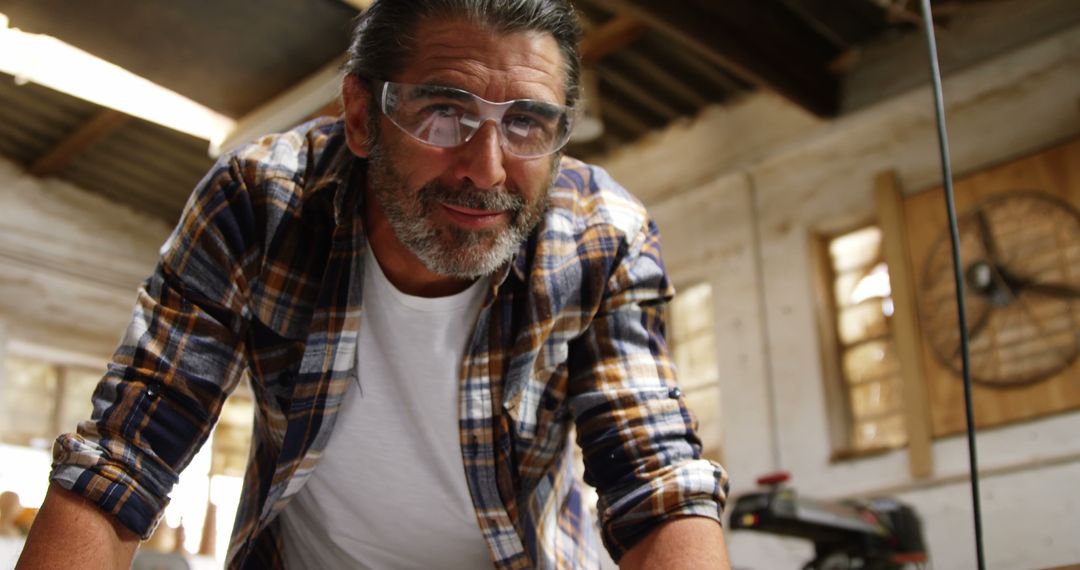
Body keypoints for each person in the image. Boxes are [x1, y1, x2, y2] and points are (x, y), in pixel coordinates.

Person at [18, 1, 731, 568]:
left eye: (525, 124)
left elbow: (655, 481)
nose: (484, 169)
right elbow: (128, 457)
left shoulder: (601, 237)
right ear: (361, 115)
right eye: (444, 112)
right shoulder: (260, 205)